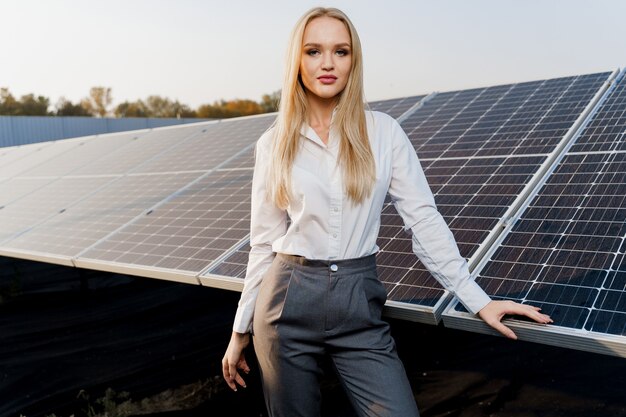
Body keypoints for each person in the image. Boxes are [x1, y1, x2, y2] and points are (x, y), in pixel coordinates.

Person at [222, 6, 553, 417]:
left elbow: (424, 220)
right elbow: (263, 243)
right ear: (296, 61)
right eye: (313, 51)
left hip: (359, 301)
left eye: (340, 51)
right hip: (287, 301)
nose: (327, 63)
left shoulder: (383, 132)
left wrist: (477, 300)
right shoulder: (273, 144)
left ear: (353, 61)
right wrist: (240, 331)